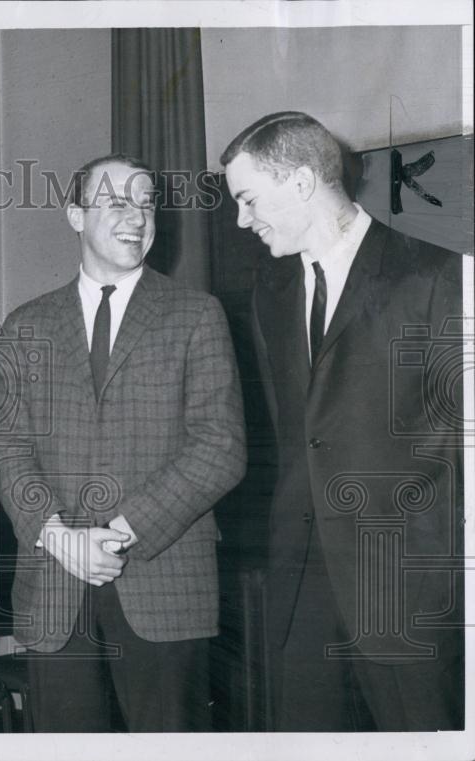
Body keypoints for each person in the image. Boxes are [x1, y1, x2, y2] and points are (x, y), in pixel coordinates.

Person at [221, 111, 464, 731]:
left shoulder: (435, 275)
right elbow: (294, 434)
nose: (242, 220)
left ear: (301, 183)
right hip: (300, 583)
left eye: (249, 199)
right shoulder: (268, 291)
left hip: (401, 586)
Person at [0, 153, 246, 731]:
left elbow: (220, 446)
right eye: (115, 200)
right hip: (53, 590)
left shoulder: (196, 315)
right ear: (75, 215)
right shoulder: (25, 325)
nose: (136, 214)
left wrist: (121, 533)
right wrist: (60, 538)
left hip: (165, 586)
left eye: (146, 201)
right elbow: (9, 451)